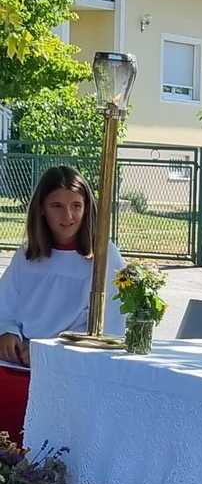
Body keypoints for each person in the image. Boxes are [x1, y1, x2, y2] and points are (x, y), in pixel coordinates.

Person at [0, 165, 125, 443]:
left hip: (70, 365)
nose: (67, 216)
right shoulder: (27, 255)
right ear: (41, 209)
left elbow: (110, 326)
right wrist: (7, 332)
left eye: (76, 206)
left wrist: (49, 352)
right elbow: (5, 303)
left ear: (87, 208)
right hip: (20, 360)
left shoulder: (103, 256)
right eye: (57, 206)